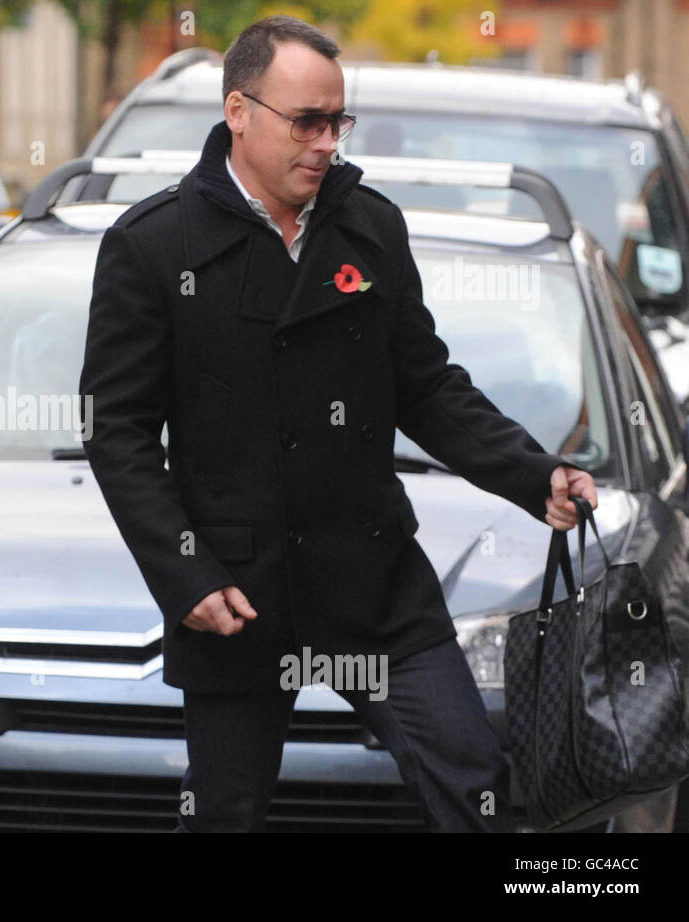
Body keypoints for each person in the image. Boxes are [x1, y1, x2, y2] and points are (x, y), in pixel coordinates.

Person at [78, 15, 599, 833]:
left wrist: (536, 475)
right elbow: (118, 433)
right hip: (239, 591)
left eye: (336, 121)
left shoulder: (371, 228)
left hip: (373, 581)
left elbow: (426, 388)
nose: (325, 143)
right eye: (306, 122)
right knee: (226, 815)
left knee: (475, 783)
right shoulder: (153, 246)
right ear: (239, 111)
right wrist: (187, 577)